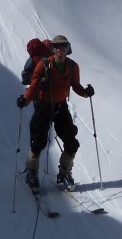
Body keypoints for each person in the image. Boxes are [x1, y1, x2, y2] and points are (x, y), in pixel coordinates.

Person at [16, 35, 94, 191]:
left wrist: (86, 93)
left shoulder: (72, 67)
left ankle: (64, 172)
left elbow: (76, 85)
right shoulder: (43, 65)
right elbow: (33, 87)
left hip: (60, 107)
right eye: (57, 46)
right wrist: (25, 100)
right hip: (43, 106)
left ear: (68, 48)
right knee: (38, 142)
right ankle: (32, 172)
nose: (60, 49)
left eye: (63, 46)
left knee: (71, 142)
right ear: (52, 48)